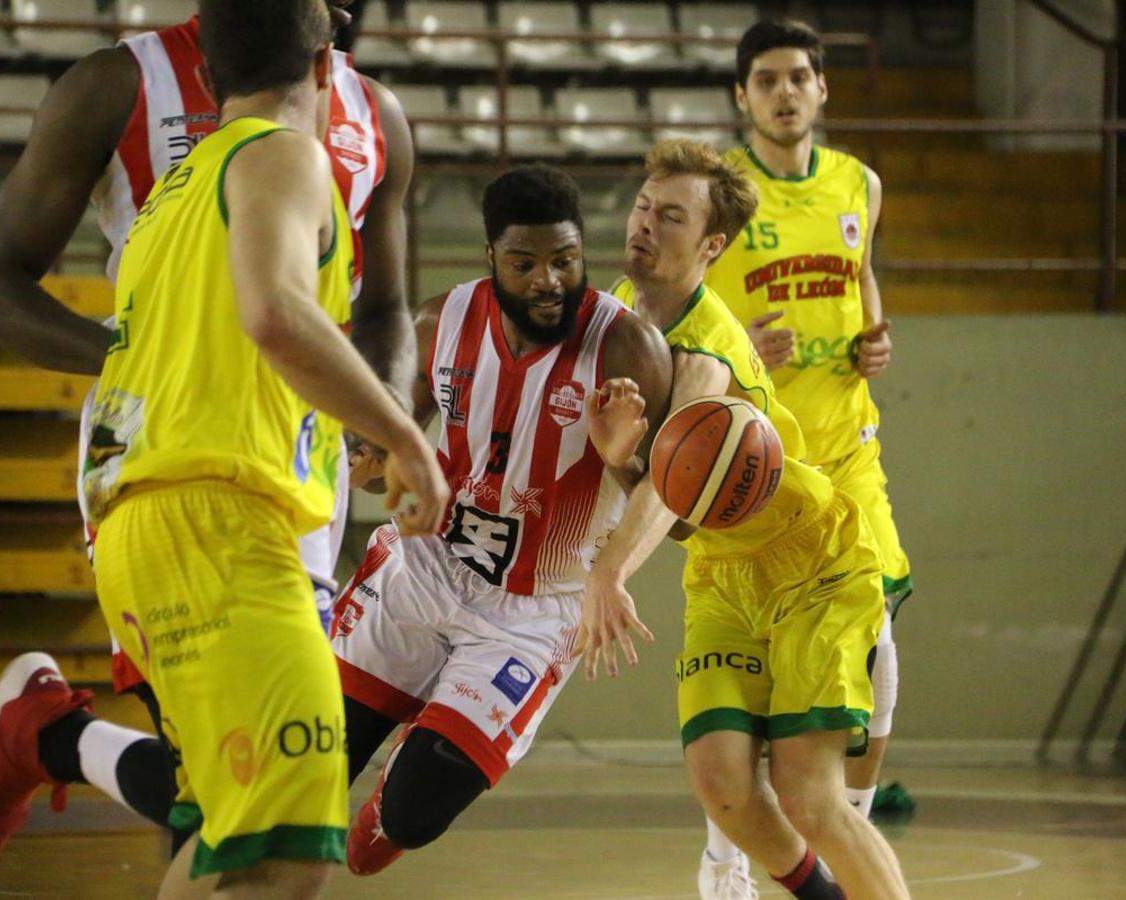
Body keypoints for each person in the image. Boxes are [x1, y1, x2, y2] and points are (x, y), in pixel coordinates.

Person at [0, 0, 418, 868]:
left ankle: (50, 736)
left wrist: (386, 416)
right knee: (256, 798)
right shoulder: (118, 84)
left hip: (300, 468)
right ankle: (54, 739)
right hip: (169, 460)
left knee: (242, 785)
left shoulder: (375, 113)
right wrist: (149, 360)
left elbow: (386, 306)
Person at [84, 0, 445, 893]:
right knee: (286, 856)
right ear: (328, 70)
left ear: (207, 82)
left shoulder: (174, 191)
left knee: (222, 839)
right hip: (220, 529)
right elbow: (275, 312)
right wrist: (403, 435)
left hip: (142, 530)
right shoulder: (287, 154)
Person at [582, 139, 910, 900]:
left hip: (812, 564)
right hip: (726, 572)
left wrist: (610, 570)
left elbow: (669, 493)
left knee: (807, 793)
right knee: (721, 780)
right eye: (641, 206)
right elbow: (653, 480)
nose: (644, 225)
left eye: (670, 217)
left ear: (711, 245)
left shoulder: (707, 352)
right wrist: (615, 457)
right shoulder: (623, 315)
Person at [335, 164, 674, 876]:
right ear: (492, 259)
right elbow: (389, 435)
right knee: (303, 771)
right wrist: (371, 457)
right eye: (526, 264)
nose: (549, 279)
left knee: (406, 821)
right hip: (428, 568)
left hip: (533, 610)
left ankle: (408, 774)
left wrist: (621, 460)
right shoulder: (439, 322)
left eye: (566, 259)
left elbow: (680, 519)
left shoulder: (627, 348)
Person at [698, 18, 913, 897]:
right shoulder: (720, 192)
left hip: (851, 456)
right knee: (755, 677)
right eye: (767, 80)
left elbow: (862, 274)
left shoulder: (859, 181)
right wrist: (738, 344)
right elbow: (684, 315)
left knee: (881, 653)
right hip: (765, 465)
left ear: (822, 89)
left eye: (799, 77)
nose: (785, 93)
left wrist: (876, 335)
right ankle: (726, 846)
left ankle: (845, 828)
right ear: (743, 96)